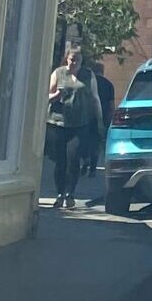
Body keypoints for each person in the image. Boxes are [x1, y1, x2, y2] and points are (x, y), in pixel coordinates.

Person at [46, 46, 100, 208]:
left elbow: (95, 98)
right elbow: (47, 96)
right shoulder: (58, 73)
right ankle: (60, 193)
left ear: (82, 61)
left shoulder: (88, 75)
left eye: (77, 60)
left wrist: (100, 120)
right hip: (58, 123)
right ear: (66, 59)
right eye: (71, 60)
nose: (73, 63)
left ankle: (71, 194)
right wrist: (56, 95)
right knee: (60, 161)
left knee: (73, 158)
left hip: (79, 124)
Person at [83, 59, 116, 179]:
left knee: (84, 140)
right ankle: (92, 168)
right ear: (102, 71)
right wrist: (109, 120)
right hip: (101, 117)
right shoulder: (108, 84)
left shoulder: (88, 82)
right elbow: (111, 105)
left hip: (86, 116)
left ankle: (84, 159)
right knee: (96, 144)